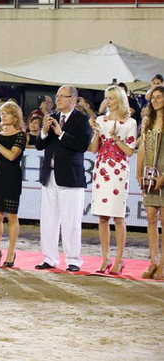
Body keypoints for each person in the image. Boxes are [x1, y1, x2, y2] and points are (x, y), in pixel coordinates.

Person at [34, 85, 92, 272]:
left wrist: (61, 134)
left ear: (73, 99)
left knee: (71, 221)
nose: (57, 99)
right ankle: (50, 258)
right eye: (57, 96)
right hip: (49, 176)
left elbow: (82, 146)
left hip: (70, 178)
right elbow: (39, 146)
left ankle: (73, 260)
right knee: (49, 220)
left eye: (62, 96)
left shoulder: (82, 120)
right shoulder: (52, 118)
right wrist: (44, 130)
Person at [88, 85, 136, 275]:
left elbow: (130, 151)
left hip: (118, 171)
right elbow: (93, 149)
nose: (108, 101)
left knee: (118, 217)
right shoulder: (101, 120)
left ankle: (119, 259)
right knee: (102, 217)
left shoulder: (130, 122)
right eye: (106, 98)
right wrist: (95, 133)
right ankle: (105, 257)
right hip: (101, 169)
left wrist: (116, 139)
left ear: (119, 99)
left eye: (111, 98)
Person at [0, 101, 27, 267]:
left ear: (15, 116)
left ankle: (11, 251)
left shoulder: (20, 135)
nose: (4, 116)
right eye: (2, 113)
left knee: (11, 216)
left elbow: (11, 156)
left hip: (12, 176)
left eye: (7, 113)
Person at [137, 85, 164, 279]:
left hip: (162, 172)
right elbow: (143, 149)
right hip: (150, 173)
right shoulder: (148, 121)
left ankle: (163, 264)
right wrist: (139, 173)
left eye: (159, 97)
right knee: (151, 218)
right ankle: (152, 261)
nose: (155, 100)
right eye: (153, 97)